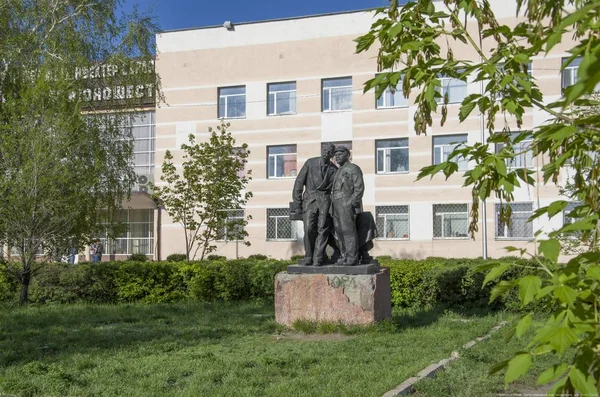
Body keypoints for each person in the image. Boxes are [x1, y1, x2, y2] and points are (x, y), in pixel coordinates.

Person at [292, 143, 338, 266]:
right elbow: (299, 182)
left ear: (332, 155)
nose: (325, 153)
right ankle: (308, 256)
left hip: (324, 202)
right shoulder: (310, 163)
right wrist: (297, 204)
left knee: (323, 229)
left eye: (329, 152)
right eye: (324, 150)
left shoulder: (334, 170)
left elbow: (337, 189)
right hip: (310, 201)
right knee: (308, 229)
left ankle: (318, 257)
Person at [331, 146, 365, 266]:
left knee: (347, 230)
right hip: (335, 203)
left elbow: (359, 187)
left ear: (347, 155)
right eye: (336, 154)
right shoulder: (338, 170)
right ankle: (344, 256)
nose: (337, 156)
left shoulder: (353, 168)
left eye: (340, 153)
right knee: (338, 231)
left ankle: (352, 258)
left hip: (345, 201)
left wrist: (351, 202)